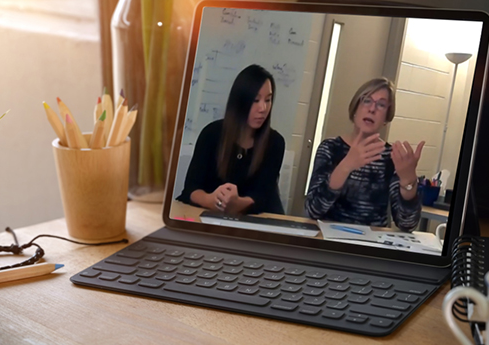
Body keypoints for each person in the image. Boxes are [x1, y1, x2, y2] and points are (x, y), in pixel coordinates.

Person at [304, 77, 424, 231]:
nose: (372, 109)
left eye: (381, 105)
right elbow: (312, 210)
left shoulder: (391, 157)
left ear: (386, 118)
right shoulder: (330, 148)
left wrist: (408, 180)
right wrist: (346, 166)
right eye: (367, 101)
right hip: (329, 242)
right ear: (355, 109)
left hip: (371, 247)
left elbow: (407, 224)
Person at [177, 64, 286, 215]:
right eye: (255, 100)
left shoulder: (275, 143)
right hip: (206, 217)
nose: (263, 108)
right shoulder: (211, 134)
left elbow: (263, 197)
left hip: (251, 224)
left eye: (268, 100)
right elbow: (191, 189)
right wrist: (211, 200)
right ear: (240, 101)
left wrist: (237, 203)